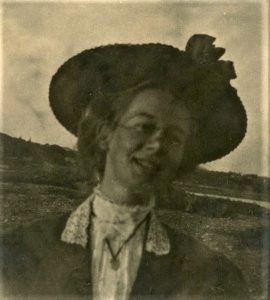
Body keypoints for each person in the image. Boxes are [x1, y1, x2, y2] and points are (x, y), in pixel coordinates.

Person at [1, 34, 248, 299]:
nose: (157, 145)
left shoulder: (216, 277)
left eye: (174, 138)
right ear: (104, 132)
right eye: (144, 126)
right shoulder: (16, 255)